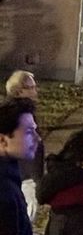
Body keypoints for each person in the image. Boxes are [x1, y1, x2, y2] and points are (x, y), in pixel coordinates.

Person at [0, 98, 40, 235]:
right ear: (3, 140)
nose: (38, 138)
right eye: (29, 132)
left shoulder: (9, 176)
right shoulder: (4, 192)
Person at [5, 71, 42, 226]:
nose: (36, 91)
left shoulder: (20, 112)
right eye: (31, 87)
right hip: (24, 177)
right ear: (19, 90)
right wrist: (33, 177)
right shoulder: (17, 116)